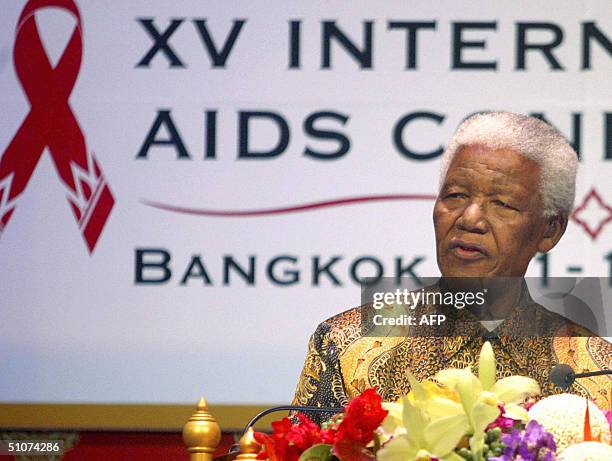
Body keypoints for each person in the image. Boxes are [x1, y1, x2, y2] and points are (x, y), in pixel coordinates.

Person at [291, 112, 611, 419]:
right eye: (455, 195)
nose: (469, 218)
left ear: (550, 230)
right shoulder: (347, 346)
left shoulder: (593, 370)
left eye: (501, 203)